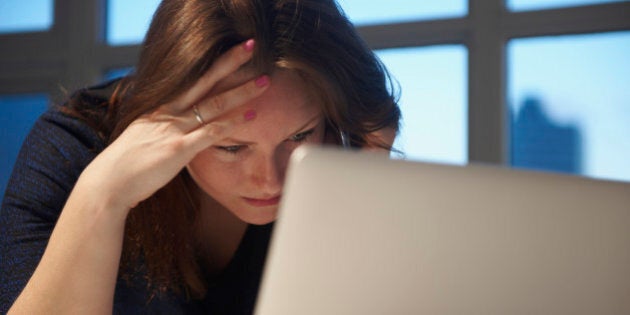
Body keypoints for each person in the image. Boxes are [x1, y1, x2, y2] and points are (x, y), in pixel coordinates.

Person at [0, 0, 400, 313]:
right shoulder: (72, 150)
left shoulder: (337, 160)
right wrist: (103, 196)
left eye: (299, 136)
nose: (270, 181)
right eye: (230, 146)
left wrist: (365, 185)